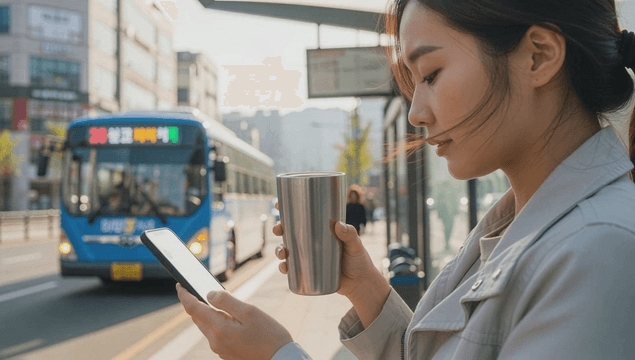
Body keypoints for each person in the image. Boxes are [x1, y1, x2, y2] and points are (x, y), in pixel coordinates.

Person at [175, 0, 635, 358]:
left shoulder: (599, 248)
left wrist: (277, 356)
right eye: (413, 86)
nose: (417, 113)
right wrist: (365, 288)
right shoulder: (517, 227)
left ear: (538, 57)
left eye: (431, 74)